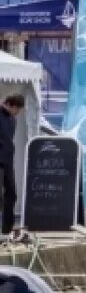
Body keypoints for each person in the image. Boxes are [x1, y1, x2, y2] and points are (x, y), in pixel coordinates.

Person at [0, 94, 24, 236]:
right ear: (11, 105)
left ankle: (7, 229)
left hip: (8, 161)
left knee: (12, 194)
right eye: (17, 109)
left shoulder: (12, 119)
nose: (18, 113)